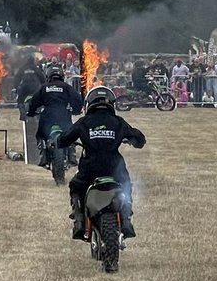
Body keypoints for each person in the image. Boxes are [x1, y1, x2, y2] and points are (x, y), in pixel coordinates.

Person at [57, 86, 146, 241]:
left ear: (89, 104)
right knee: (126, 184)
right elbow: (139, 139)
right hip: (114, 167)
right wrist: (133, 140)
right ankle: (126, 219)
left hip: (90, 167)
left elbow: (63, 140)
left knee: (76, 186)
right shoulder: (118, 122)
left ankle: (78, 220)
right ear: (111, 103)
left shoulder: (84, 122)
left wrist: (59, 140)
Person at [26, 65, 83, 167]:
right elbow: (77, 99)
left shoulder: (44, 88)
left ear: (48, 76)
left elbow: (34, 101)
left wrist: (31, 112)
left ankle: (43, 155)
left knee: (40, 135)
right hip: (63, 116)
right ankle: (72, 156)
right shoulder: (66, 87)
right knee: (70, 134)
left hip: (47, 117)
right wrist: (76, 110)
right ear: (61, 75)